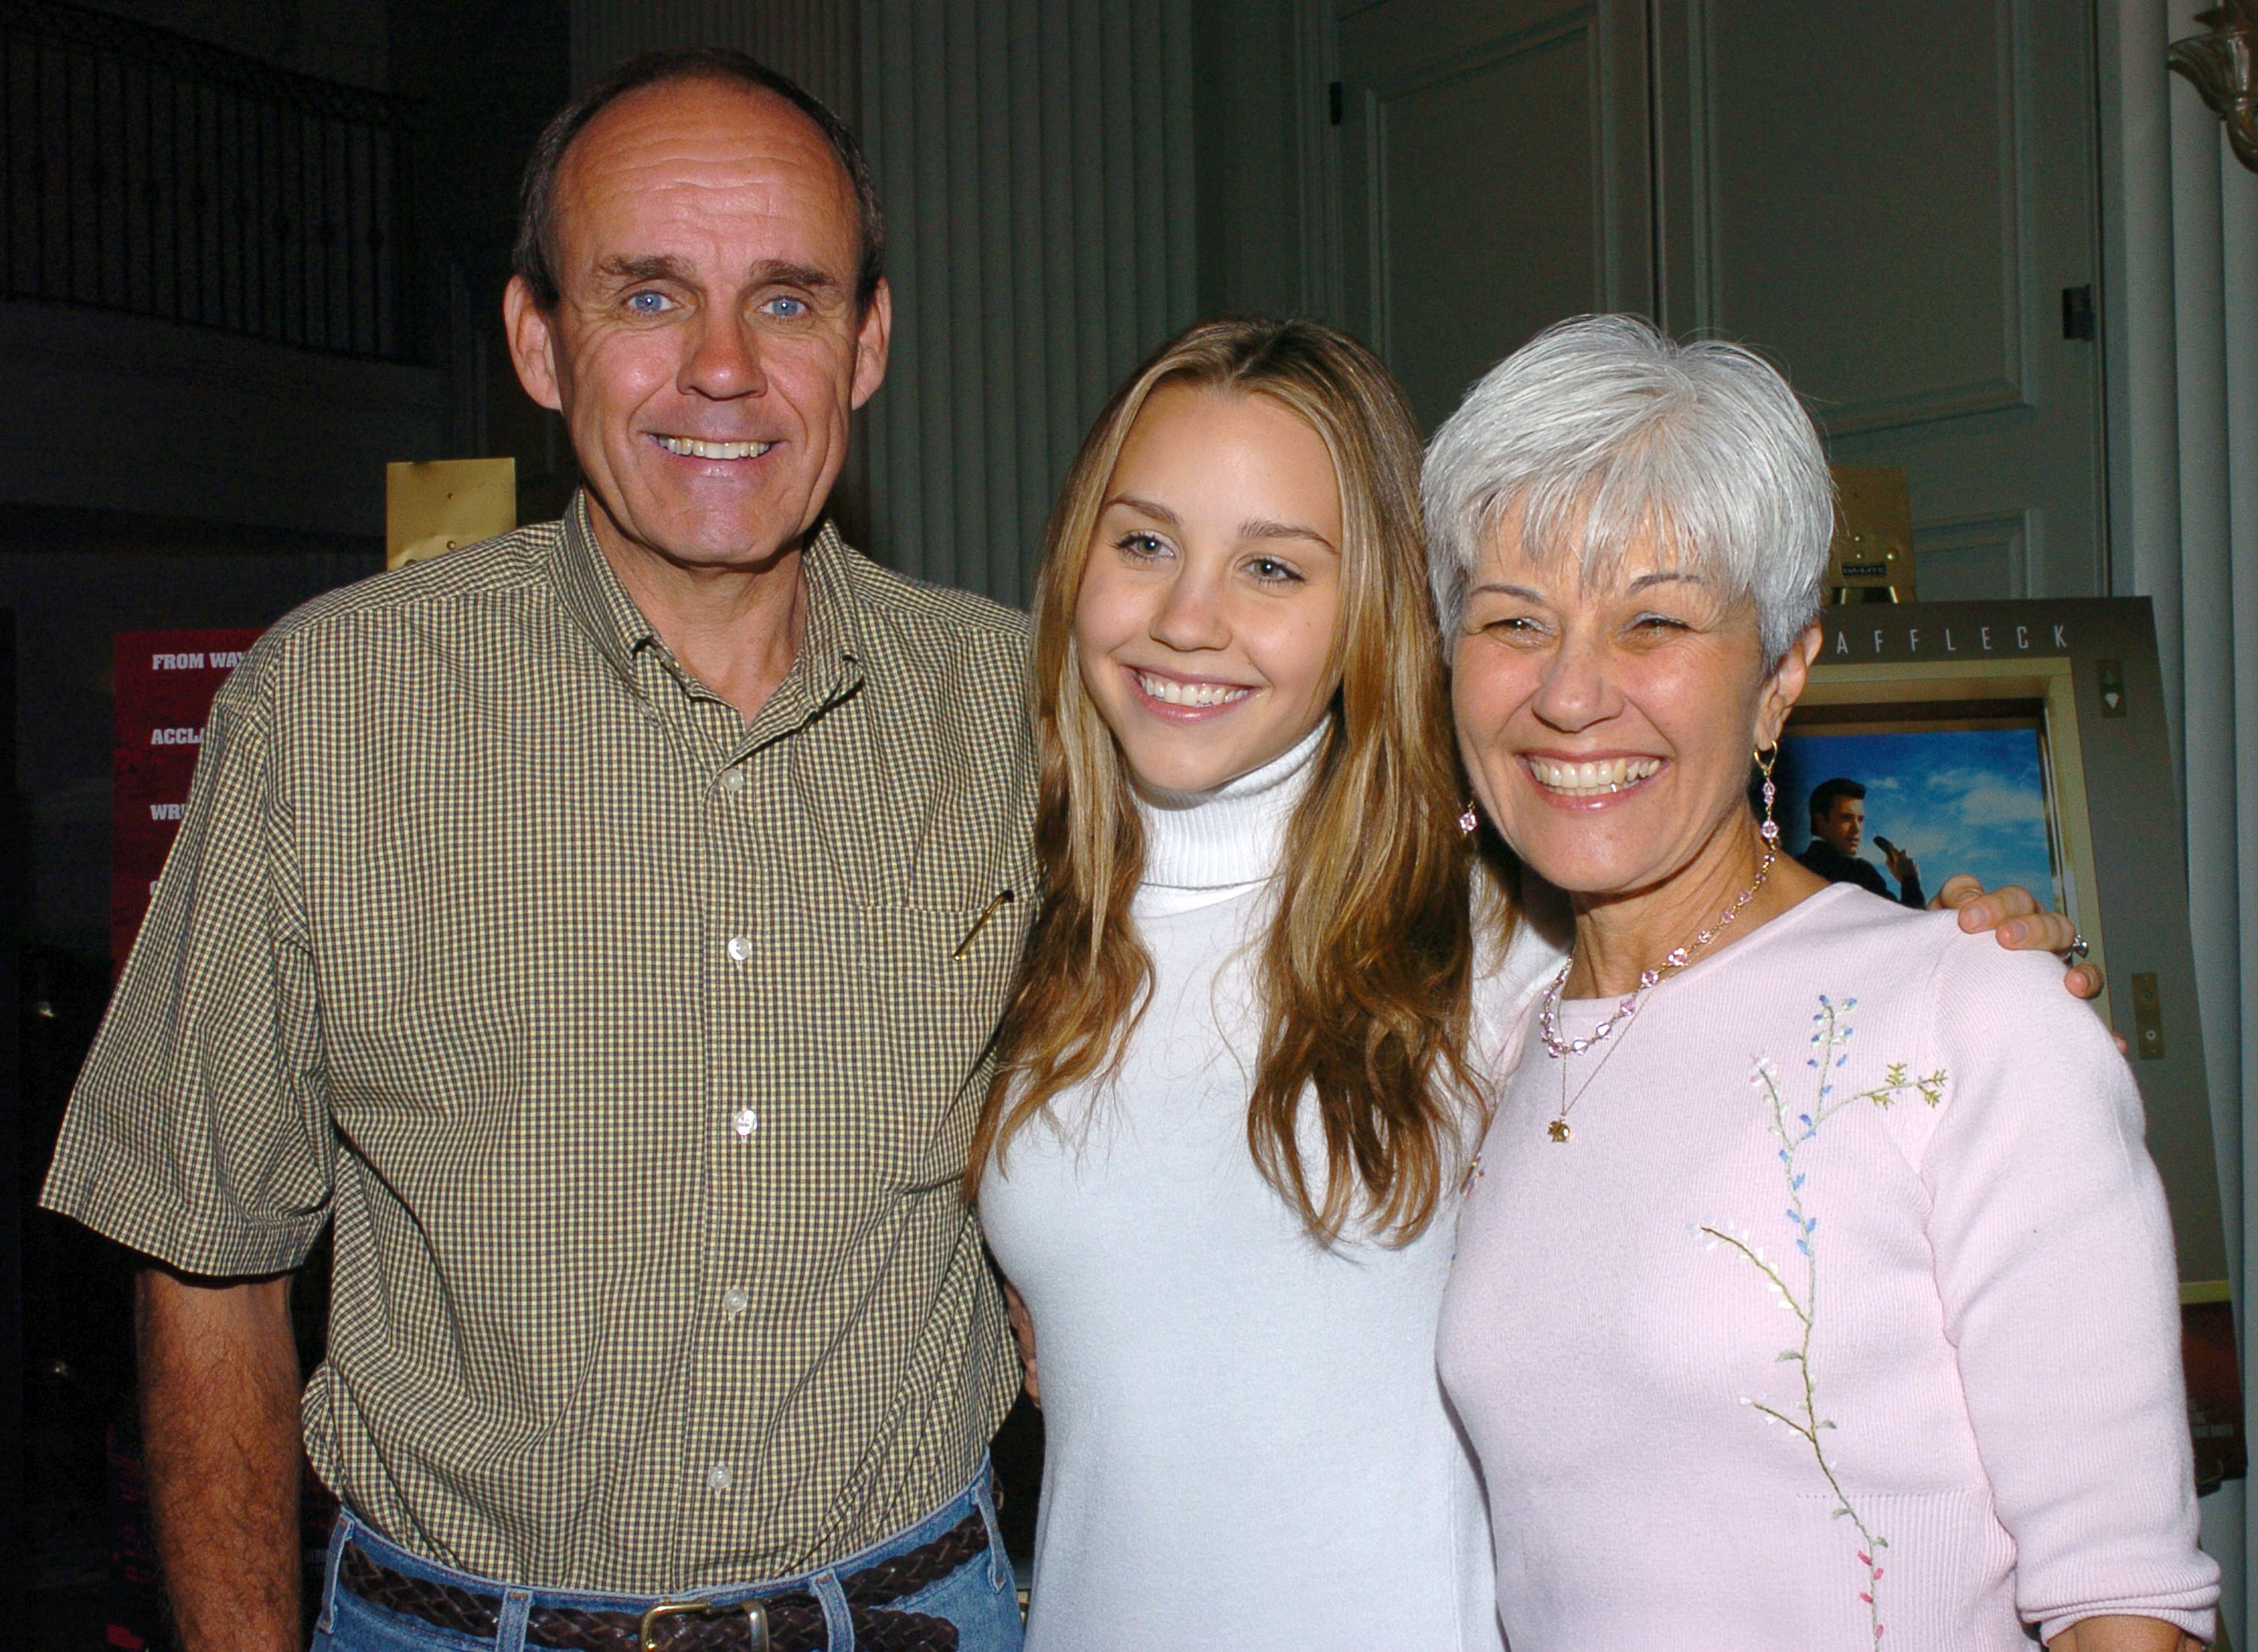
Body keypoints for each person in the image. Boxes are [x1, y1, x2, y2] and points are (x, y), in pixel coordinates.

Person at [40, 50, 1030, 1652]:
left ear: (868, 343)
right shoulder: (330, 708)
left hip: (926, 1610)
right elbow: (206, 1256)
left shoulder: (1017, 715)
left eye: (787, 300)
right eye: (648, 297)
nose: (724, 368)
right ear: (537, 341)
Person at [969, 315, 2101, 1650]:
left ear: (1377, 612)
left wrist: (1978, 968)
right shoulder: (999, 910)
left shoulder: (1504, 931)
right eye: (1143, 541)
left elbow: (1789, 1030)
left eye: (1273, 565)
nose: (1187, 618)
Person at [1429, 315, 2217, 1650]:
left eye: (1656, 622)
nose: (1570, 694)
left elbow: (2125, 1603)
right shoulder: (1492, 1039)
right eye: (1516, 620)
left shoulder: (1972, 1018)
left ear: (1782, 676)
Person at [1800, 774, 1924, 906]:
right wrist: (1909, 879)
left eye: (1860, 819)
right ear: (1821, 821)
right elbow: (1912, 922)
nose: (1857, 829)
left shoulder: (1797, 865)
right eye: (1847, 818)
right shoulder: (1860, 872)